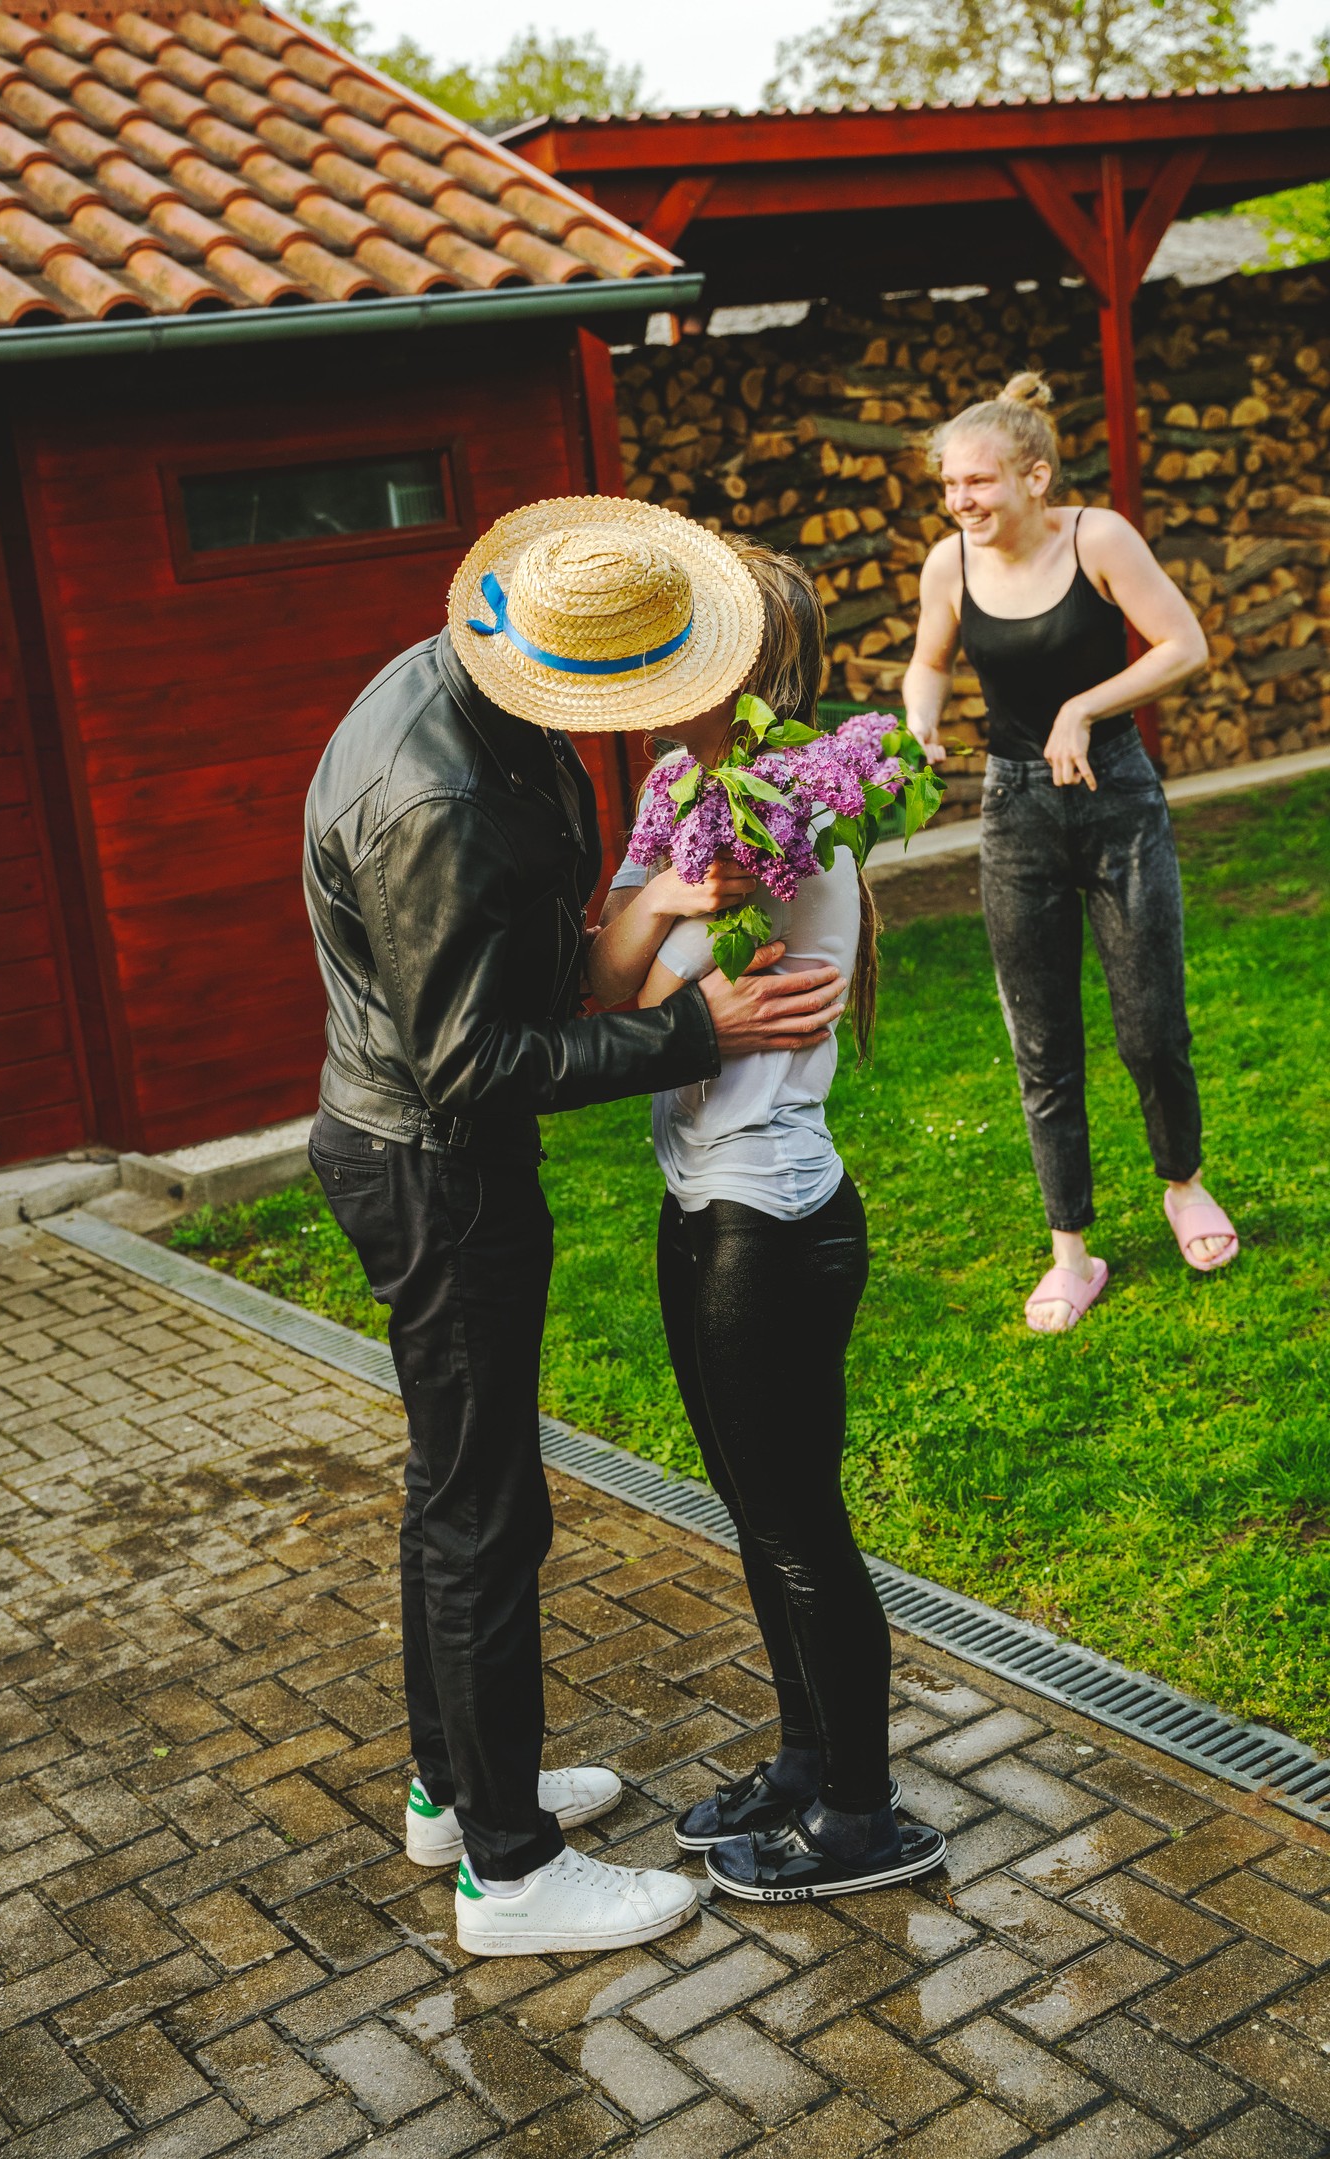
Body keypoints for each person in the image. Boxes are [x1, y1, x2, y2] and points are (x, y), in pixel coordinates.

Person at [302, 497, 851, 1957]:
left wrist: (658, 901)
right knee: (485, 1510)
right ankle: (515, 1871)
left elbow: (516, 965)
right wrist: (695, 1025)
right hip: (436, 1165)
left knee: (455, 1487)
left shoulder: (470, 683)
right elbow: (477, 1060)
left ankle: (455, 1784)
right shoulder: (445, 799)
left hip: (422, 1144)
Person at [588, 542, 946, 1901]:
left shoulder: (789, 797)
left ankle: (865, 1811)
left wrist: (664, 917)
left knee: (797, 1518)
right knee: (751, 1502)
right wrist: (668, 899)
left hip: (773, 1213)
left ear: (748, 664)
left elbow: (640, 999)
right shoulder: (678, 794)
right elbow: (603, 982)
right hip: (696, 1191)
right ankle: (807, 1759)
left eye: (683, 638)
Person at [904, 375, 1236, 1334]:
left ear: (1035, 476)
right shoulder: (947, 565)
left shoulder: (1098, 538)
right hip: (1013, 811)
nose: (961, 500)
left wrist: (1085, 706)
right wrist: (918, 726)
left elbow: (1186, 643)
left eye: (979, 482)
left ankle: (1183, 1186)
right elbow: (928, 663)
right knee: (1041, 1042)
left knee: (1150, 1022)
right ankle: (1071, 1249)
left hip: (1117, 797)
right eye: (950, 485)